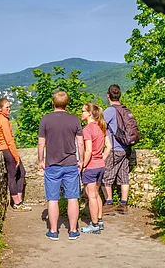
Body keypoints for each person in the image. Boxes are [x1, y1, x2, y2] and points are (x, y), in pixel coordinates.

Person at [38, 91, 84, 241]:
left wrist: (40, 160)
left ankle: (53, 231)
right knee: (72, 198)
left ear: (53, 103)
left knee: (53, 199)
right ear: (67, 103)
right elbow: (80, 142)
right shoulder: (74, 119)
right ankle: (72, 231)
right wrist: (81, 160)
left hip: (52, 164)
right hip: (70, 163)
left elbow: (41, 143)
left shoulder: (45, 119)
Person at [0, 98, 32, 212]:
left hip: (4, 148)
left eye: (9, 107)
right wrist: (16, 156)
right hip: (7, 149)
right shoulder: (2, 120)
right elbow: (9, 140)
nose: (9, 109)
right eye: (6, 107)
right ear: (0, 108)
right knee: (13, 175)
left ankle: (18, 202)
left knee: (20, 173)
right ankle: (17, 203)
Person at [80, 103, 112, 234]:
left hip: (91, 166)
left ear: (89, 113)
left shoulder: (87, 130)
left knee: (91, 196)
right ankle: (99, 220)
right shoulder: (101, 127)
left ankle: (94, 225)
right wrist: (102, 159)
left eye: (83, 111)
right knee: (97, 194)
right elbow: (109, 147)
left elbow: (88, 151)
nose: (81, 113)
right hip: (100, 166)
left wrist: (83, 165)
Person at [102, 84, 131, 214]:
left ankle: (108, 203)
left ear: (108, 96)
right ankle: (123, 204)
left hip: (114, 148)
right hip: (126, 147)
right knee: (124, 176)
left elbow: (99, 126)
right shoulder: (125, 109)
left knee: (105, 177)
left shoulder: (109, 111)